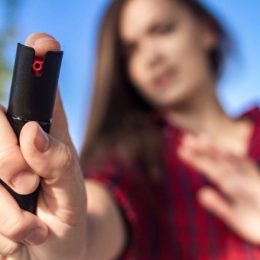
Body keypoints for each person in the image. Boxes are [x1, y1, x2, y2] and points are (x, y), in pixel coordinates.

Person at [0, 0, 260, 259]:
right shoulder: (132, 161)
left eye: (162, 29)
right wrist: (67, 234)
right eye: (131, 50)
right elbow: (96, 215)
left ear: (207, 31)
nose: (151, 57)